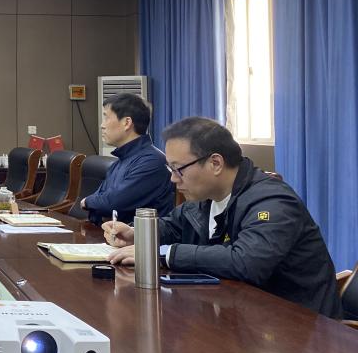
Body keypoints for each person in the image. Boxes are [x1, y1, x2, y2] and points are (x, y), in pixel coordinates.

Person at [104, 116, 342, 318]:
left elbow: (246, 262)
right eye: (171, 169)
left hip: (297, 326)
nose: (173, 179)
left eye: (178, 169)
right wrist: (136, 235)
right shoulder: (207, 198)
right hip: (239, 316)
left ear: (216, 163)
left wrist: (163, 253)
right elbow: (173, 226)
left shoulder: (273, 201)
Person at [79, 93, 175, 224]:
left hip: (139, 236)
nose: (102, 125)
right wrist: (93, 203)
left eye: (106, 117)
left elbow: (111, 203)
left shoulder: (151, 162)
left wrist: (87, 202)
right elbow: (100, 200)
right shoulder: (120, 161)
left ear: (127, 123)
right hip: (111, 233)